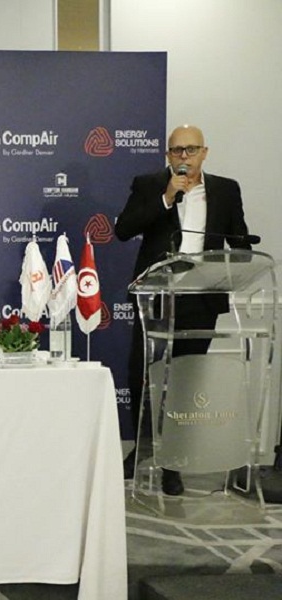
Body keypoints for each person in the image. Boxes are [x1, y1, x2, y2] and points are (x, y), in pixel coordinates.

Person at [115, 124, 252, 496]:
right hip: (156, 297)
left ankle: (173, 462)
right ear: (168, 155)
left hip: (201, 298)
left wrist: (235, 265)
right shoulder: (149, 185)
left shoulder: (226, 190)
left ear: (204, 153)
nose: (184, 157)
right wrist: (166, 197)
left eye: (191, 150)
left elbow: (240, 241)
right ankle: (143, 448)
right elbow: (123, 229)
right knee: (143, 375)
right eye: (177, 150)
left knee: (185, 381)